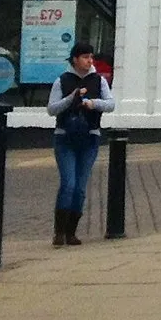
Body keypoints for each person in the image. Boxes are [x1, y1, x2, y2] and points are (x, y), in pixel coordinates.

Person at [46, 42, 115, 245]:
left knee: (80, 187)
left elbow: (111, 104)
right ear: (75, 59)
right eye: (85, 57)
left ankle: (71, 232)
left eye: (91, 57)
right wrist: (72, 98)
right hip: (65, 136)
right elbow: (52, 109)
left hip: (89, 136)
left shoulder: (98, 80)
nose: (89, 61)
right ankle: (59, 232)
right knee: (69, 183)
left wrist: (93, 103)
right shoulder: (62, 80)